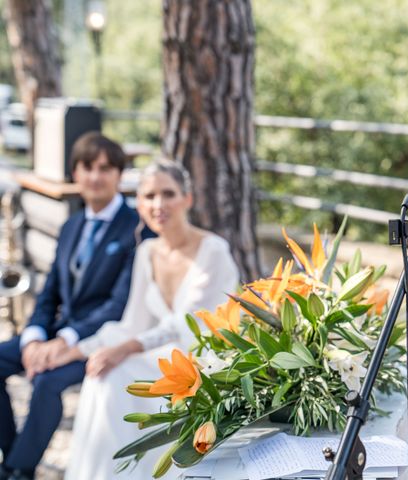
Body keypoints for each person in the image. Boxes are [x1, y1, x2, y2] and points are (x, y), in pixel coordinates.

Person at [61, 158, 239, 480]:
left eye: (168, 194)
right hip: (164, 360)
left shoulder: (213, 250)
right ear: (139, 205)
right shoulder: (147, 252)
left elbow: (186, 323)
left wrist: (125, 348)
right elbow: (133, 323)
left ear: (188, 199)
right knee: (102, 371)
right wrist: (80, 348)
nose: (159, 204)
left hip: (207, 363)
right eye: (149, 196)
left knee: (116, 373)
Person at [0, 132, 146, 480]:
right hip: (54, 334)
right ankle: (11, 461)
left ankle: (19, 470)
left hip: (101, 339)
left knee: (47, 382)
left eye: (105, 168)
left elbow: (119, 304)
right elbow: (50, 291)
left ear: (119, 175)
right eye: (87, 167)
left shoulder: (137, 230)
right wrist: (34, 337)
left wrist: (65, 340)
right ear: (75, 173)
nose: (96, 176)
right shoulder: (72, 225)